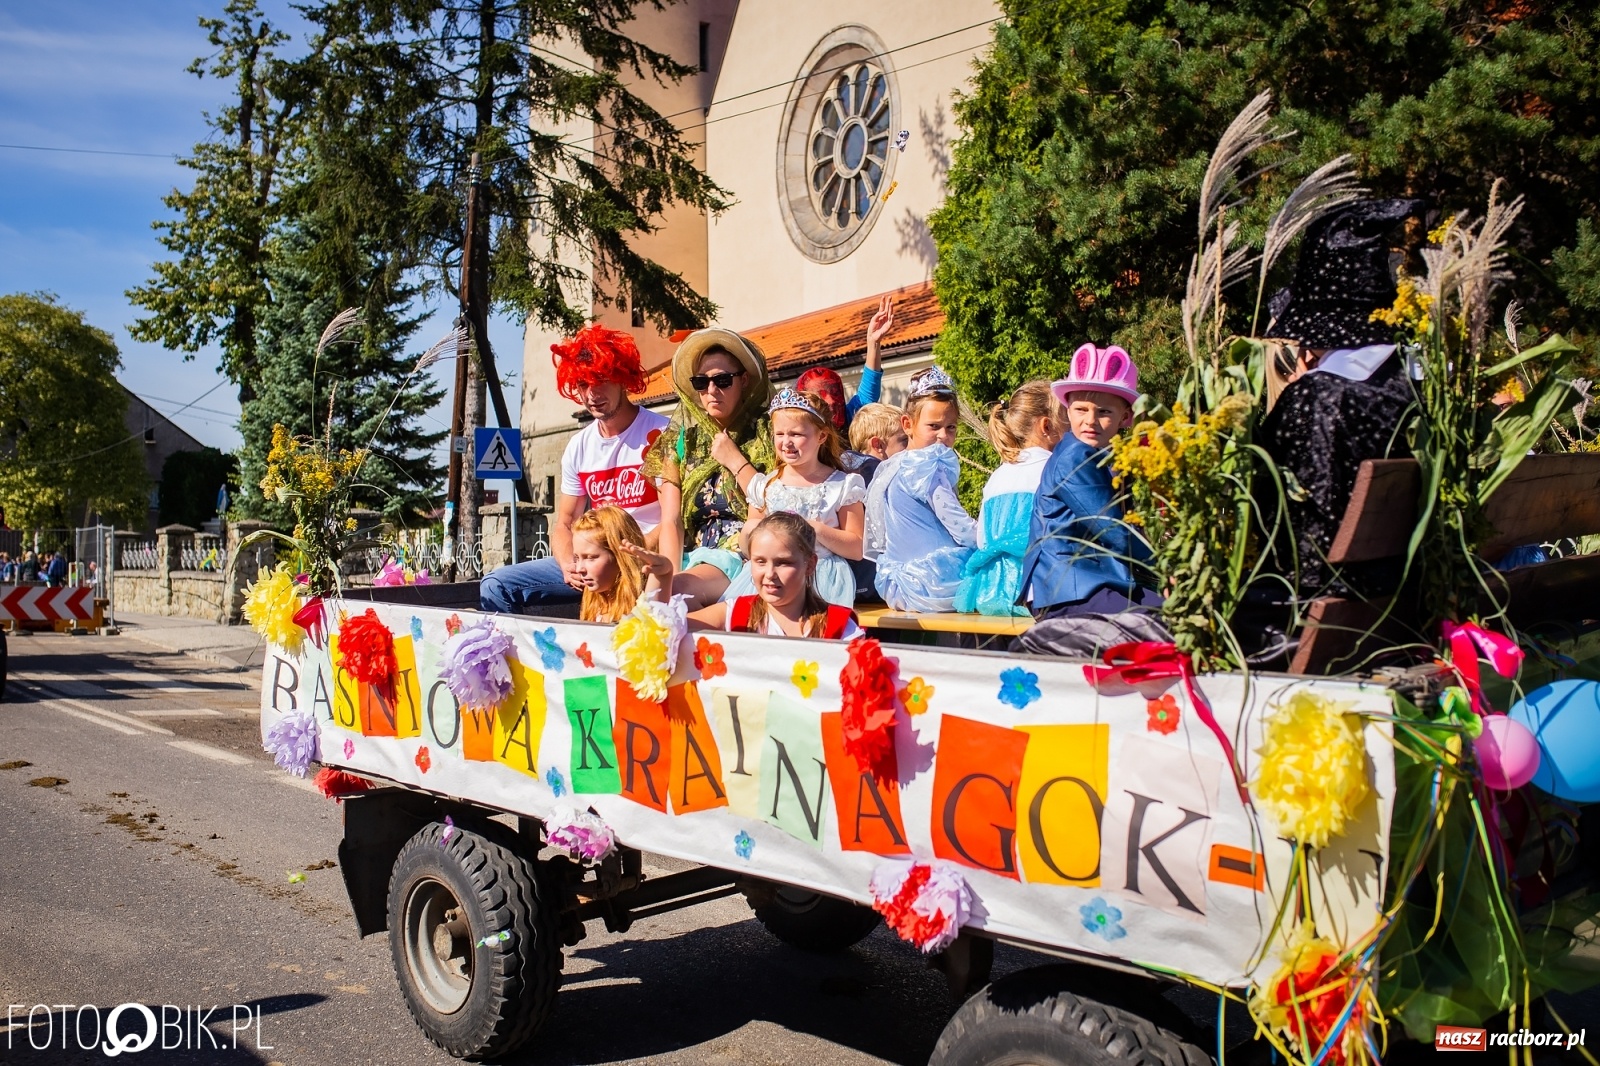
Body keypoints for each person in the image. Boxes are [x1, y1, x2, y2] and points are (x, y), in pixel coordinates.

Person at [1257, 198, 1425, 593]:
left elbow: (1281, 524)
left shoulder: (1321, 399)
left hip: (1317, 611)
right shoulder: (1423, 384)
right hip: (1408, 600)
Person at [479, 324, 668, 616]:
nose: (591, 394)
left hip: (644, 560)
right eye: (582, 384)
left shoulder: (660, 433)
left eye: (601, 380)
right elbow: (564, 523)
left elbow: (673, 518)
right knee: (495, 586)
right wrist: (570, 564)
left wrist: (627, 556)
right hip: (591, 559)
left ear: (622, 378)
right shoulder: (579, 446)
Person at [1020, 344, 1161, 620]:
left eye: (1104, 412)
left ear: (1126, 417)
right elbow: (1113, 530)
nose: (1090, 421)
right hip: (1067, 586)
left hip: (1094, 580)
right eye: (1081, 409)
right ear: (1067, 411)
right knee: (1167, 618)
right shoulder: (1074, 457)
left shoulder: (1107, 457)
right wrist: (1168, 569)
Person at [642, 328, 774, 608]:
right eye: (701, 382)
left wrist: (734, 458)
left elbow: (765, 505)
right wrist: (671, 575)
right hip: (692, 555)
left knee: (673, 595)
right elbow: (671, 520)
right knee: (651, 593)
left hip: (740, 553)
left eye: (723, 380)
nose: (711, 391)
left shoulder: (765, 434)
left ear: (744, 381)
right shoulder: (680, 441)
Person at [721, 388, 866, 608]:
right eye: (780, 434)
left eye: (796, 434)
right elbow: (748, 547)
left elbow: (857, 548)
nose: (786, 442)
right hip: (770, 578)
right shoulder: (765, 486)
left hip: (820, 580)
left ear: (821, 436)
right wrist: (752, 529)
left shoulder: (842, 485)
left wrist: (813, 529)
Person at [864, 367, 978, 612]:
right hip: (935, 581)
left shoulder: (891, 465)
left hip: (898, 582)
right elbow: (960, 528)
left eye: (951, 428)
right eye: (933, 426)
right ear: (907, 424)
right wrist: (991, 535)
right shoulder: (927, 465)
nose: (943, 436)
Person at [955, 380, 1063, 616]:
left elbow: (983, 539)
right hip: (1033, 593)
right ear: (1046, 425)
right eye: (1065, 414)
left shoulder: (998, 475)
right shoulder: (1054, 470)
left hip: (990, 592)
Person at [688, 512, 864, 639]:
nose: (770, 574)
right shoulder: (735, 613)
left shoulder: (838, 626)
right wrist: (663, 577)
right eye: (760, 562)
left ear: (810, 564)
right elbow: (668, 628)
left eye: (783, 563)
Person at [793, 292, 895, 432]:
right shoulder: (795, 436)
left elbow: (867, 395)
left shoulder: (849, 419)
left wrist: (873, 343)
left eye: (834, 392)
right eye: (821, 395)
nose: (831, 401)